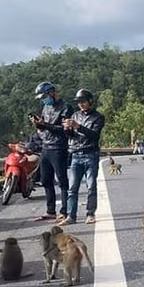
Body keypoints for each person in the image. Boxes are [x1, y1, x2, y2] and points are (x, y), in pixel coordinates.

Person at [61, 89, 105, 225]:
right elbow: (72, 136)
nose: (81, 104)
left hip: (90, 154)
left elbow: (94, 135)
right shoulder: (75, 115)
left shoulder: (98, 117)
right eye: (79, 102)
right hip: (75, 154)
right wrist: (67, 130)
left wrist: (78, 127)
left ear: (90, 101)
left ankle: (90, 213)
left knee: (91, 186)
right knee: (72, 187)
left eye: (83, 102)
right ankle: (70, 216)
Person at [30, 82, 73, 222]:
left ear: (52, 93)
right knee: (45, 180)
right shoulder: (46, 107)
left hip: (59, 147)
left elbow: (64, 129)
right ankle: (50, 211)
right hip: (46, 146)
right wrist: (38, 124)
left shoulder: (66, 108)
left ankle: (65, 211)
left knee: (62, 181)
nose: (44, 100)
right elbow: (44, 127)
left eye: (45, 96)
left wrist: (45, 125)